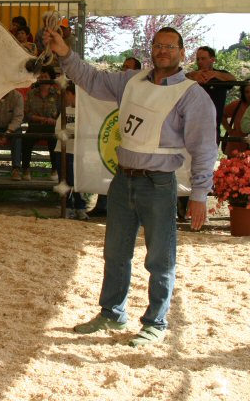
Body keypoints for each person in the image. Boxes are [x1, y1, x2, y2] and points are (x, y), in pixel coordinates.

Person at [44, 25, 216, 348]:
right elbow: (92, 79)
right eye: (158, 45)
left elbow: (205, 149)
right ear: (152, 49)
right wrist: (64, 53)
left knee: (160, 258)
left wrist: (199, 195)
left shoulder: (192, 96)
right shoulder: (131, 81)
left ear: (182, 53)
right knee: (115, 251)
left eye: (170, 46)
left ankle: (155, 322)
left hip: (159, 183)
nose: (162, 50)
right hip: (123, 179)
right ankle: (112, 313)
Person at [88, 57, 141, 217]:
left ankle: (133, 210)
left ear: (136, 71)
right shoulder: (115, 87)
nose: (124, 70)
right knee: (105, 169)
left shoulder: (143, 90)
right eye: (123, 66)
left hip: (133, 142)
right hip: (112, 138)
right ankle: (102, 205)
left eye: (128, 67)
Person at [186, 46, 236, 144]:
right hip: (192, 126)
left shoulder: (221, 75)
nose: (200, 62)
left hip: (213, 127)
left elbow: (232, 79)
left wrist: (214, 74)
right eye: (198, 59)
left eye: (203, 58)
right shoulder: (192, 75)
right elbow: (181, 79)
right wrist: (193, 75)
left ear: (212, 59)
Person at [54, 83, 88, 220]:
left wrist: (69, 130)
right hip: (61, 149)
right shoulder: (64, 110)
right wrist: (72, 130)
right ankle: (66, 207)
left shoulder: (84, 111)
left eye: (68, 94)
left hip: (77, 151)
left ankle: (80, 207)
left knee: (77, 181)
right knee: (63, 180)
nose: (66, 97)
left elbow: (84, 130)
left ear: (74, 94)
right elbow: (58, 129)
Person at [21, 66, 59, 181]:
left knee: (54, 140)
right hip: (35, 126)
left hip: (51, 127)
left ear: (51, 78)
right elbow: (27, 114)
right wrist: (41, 119)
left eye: (46, 77)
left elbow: (61, 114)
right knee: (26, 139)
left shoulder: (57, 95)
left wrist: (55, 121)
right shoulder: (31, 94)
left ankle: (55, 170)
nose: (43, 79)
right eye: (41, 77)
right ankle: (26, 170)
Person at [222, 80, 250, 157]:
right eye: (247, 92)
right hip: (236, 147)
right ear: (243, 93)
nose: (249, 94)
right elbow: (222, 115)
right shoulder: (236, 105)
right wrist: (229, 130)